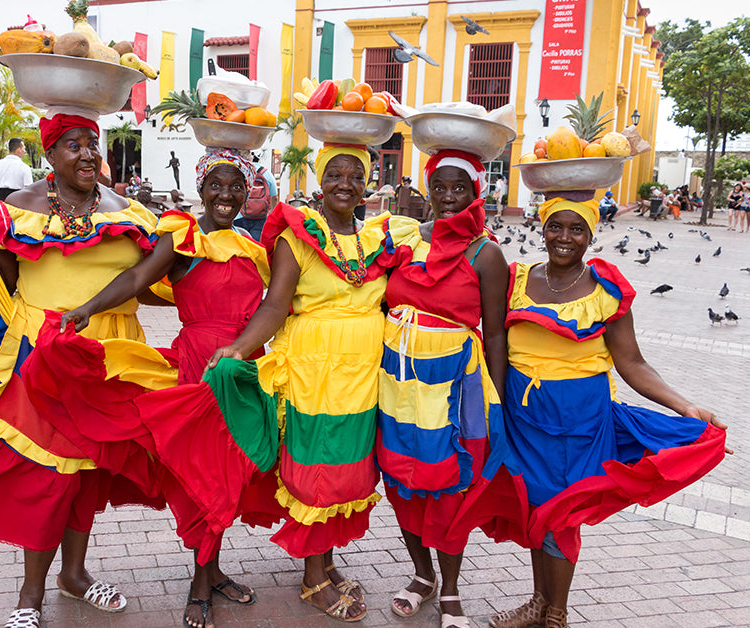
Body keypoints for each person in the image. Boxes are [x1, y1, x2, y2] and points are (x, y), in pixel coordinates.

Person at [0, 112, 169, 628]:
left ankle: (76, 575)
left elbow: (149, 282)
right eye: (73, 145)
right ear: (49, 155)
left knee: (87, 473)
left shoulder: (131, 212)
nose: (87, 154)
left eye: (93, 144)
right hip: (43, 355)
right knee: (49, 473)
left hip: (113, 355)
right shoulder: (18, 211)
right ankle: (29, 596)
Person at [486, 197, 729, 628]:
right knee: (536, 506)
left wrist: (685, 405)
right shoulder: (516, 279)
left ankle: (556, 615)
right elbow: (497, 346)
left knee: (563, 513)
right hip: (524, 418)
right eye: (555, 227)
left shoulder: (605, 290)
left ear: (591, 235)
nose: (564, 238)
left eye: (576, 229)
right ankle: (540, 602)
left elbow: (632, 363)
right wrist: (498, 407)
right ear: (542, 228)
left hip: (580, 421)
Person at [59, 148, 274, 628]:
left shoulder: (252, 245)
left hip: (243, 370)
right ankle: (200, 584)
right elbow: (137, 277)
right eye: (216, 185)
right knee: (206, 476)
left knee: (232, 476)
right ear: (200, 187)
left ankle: (213, 570)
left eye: (236, 186)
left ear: (248, 191)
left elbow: (269, 308)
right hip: (201, 370)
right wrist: (88, 309)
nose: (226, 195)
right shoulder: (182, 237)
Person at [206, 144, 416, 622]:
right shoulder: (297, 238)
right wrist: (239, 348)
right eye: (335, 174)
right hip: (314, 374)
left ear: (367, 184)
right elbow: (275, 306)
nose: (345, 183)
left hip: (363, 376)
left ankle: (327, 562)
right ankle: (313, 578)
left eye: (355, 175)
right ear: (321, 182)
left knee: (349, 470)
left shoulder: (378, 240)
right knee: (318, 473)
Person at [379, 150, 510, 628]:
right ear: (427, 189)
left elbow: (495, 332)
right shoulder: (407, 241)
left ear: (476, 191)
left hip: (458, 392)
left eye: (460, 187)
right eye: (440, 186)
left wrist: (496, 400)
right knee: (402, 480)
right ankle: (422, 575)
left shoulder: (486, 253)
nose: (449, 197)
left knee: (450, 484)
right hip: (397, 384)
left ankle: (450, 588)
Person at [233, 160, 278, 241]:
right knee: (256, 246)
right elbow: (274, 196)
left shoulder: (240, 170)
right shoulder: (266, 173)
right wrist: (272, 214)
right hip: (260, 217)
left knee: (238, 246)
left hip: (238, 216)